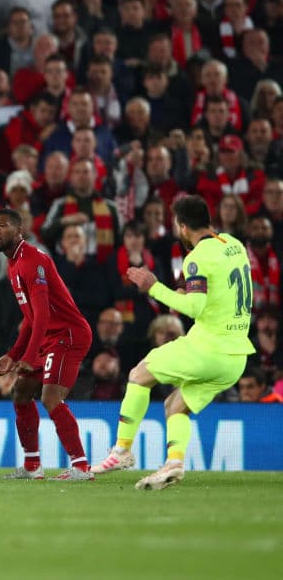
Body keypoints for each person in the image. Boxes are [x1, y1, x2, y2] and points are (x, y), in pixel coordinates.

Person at [94, 196, 256, 490]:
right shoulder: (233, 244)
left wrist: (153, 287)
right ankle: (174, 463)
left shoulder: (196, 257)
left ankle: (121, 451)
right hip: (236, 357)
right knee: (175, 404)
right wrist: (184, 293)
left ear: (182, 227)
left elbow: (194, 307)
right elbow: (217, 292)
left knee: (138, 375)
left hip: (209, 349)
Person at [0, 208, 95, 481]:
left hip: (68, 335)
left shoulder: (30, 261)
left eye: (2, 225)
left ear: (19, 230)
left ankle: (82, 467)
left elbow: (44, 313)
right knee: (22, 391)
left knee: (50, 397)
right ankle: (33, 465)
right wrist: (14, 355)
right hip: (50, 337)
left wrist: (28, 353)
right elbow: (31, 318)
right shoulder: (13, 264)